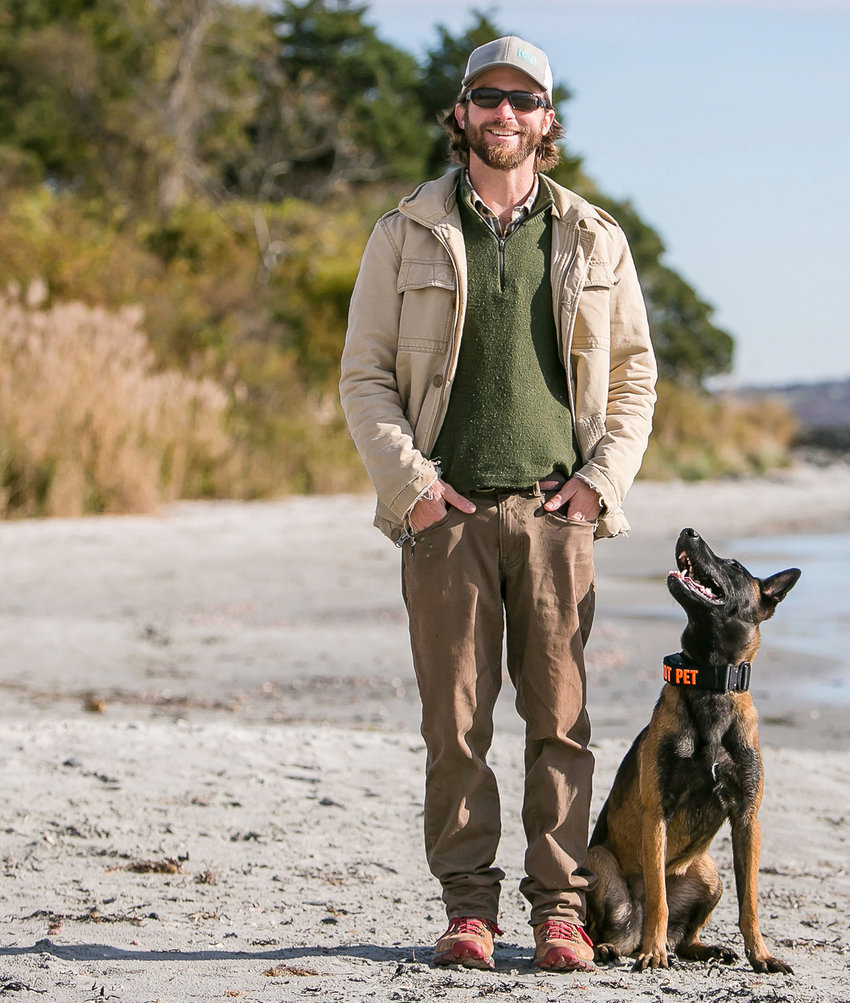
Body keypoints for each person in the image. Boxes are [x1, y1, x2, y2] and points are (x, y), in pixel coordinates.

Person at [339, 35, 657, 973]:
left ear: (548, 119)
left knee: (561, 721)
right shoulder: (405, 232)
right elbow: (365, 376)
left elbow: (634, 376)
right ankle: (469, 910)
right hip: (448, 518)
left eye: (524, 101)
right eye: (489, 98)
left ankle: (560, 908)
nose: (505, 115)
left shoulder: (595, 236)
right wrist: (414, 489)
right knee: (457, 726)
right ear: (462, 113)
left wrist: (598, 485)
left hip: (558, 520)